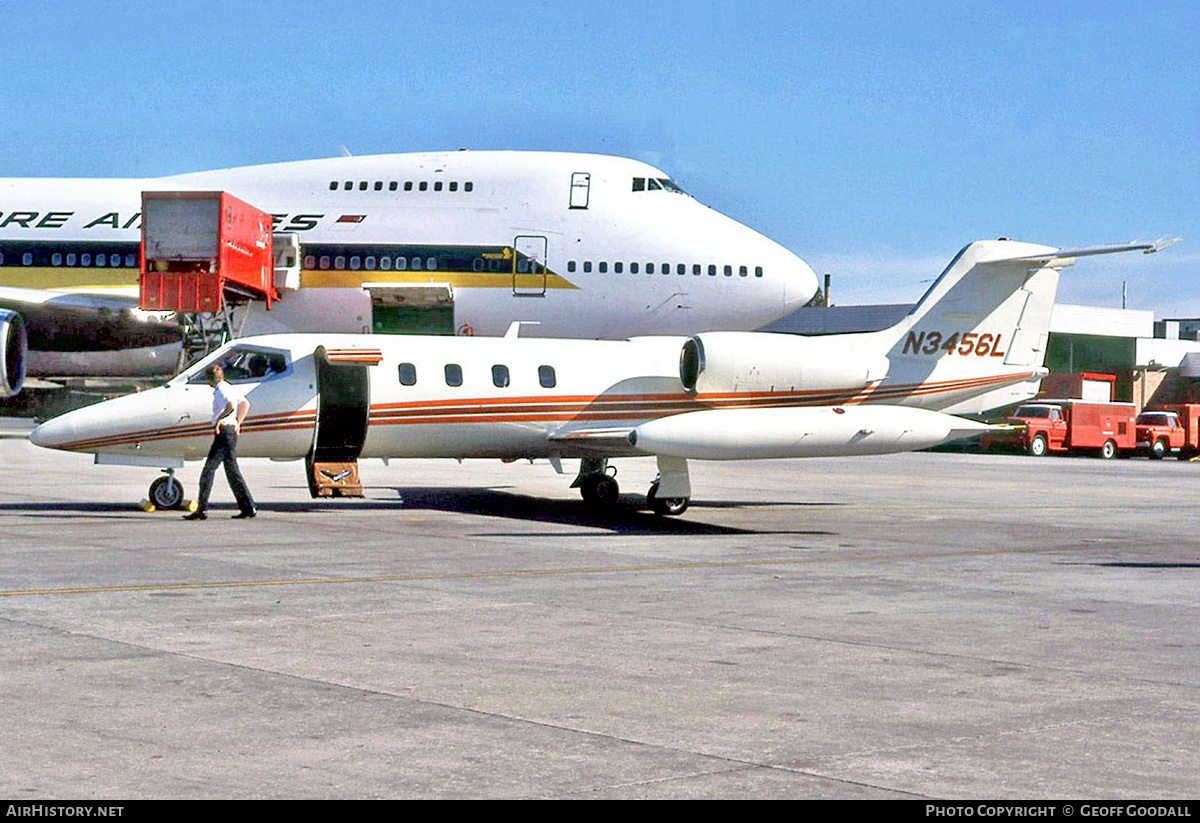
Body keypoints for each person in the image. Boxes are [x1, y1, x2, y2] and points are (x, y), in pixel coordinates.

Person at [184, 365, 257, 520]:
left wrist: (219, 420)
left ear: (210, 379)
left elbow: (230, 406)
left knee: (208, 471)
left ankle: (201, 510)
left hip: (223, 433)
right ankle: (248, 507)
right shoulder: (229, 387)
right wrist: (238, 422)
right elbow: (245, 404)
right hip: (231, 433)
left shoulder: (220, 390)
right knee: (233, 472)